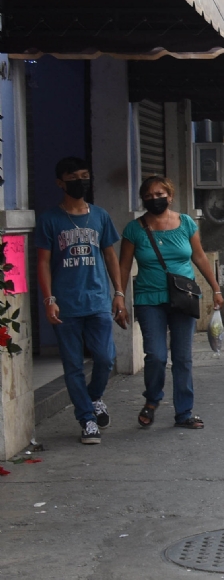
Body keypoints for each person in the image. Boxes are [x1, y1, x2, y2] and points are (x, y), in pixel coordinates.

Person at [118, 175, 223, 429]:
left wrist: (216, 289)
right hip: (148, 298)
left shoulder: (186, 223)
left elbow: (199, 257)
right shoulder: (135, 229)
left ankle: (184, 412)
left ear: (170, 196)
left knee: (183, 357)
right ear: (143, 199)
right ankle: (152, 399)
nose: (155, 199)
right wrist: (119, 297)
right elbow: (123, 266)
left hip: (183, 297)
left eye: (160, 194)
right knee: (155, 355)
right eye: (149, 196)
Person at [34, 156, 124, 445]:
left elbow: (111, 256)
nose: (80, 181)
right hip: (66, 304)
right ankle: (86, 419)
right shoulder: (49, 218)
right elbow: (43, 262)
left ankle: (94, 397)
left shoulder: (100, 215)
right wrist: (49, 299)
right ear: (61, 182)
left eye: (85, 175)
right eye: (73, 177)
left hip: (98, 298)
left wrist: (119, 293)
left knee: (105, 357)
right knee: (72, 365)